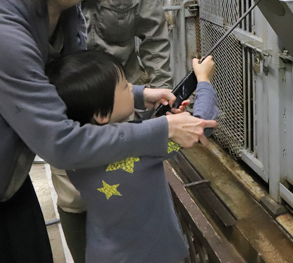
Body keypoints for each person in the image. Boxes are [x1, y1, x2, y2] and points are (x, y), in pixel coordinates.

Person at [0, 0, 216, 263]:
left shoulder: (63, 8)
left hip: (11, 179)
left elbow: (70, 88)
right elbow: (61, 143)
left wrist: (137, 95)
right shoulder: (8, 34)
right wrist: (161, 130)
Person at [53, 0, 174, 260]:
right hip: (68, 115)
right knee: (76, 200)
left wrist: (160, 101)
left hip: (122, 107)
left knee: (128, 192)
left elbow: (154, 33)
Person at [46, 51, 218, 263]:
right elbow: (202, 126)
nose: (132, 88)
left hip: (103, 254)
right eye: (126, 87)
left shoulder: (72, 153)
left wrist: (161, 121)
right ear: (101, 115)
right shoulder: (140, 149)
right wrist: (203, 81)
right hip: (154, 256)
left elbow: (129, 132)